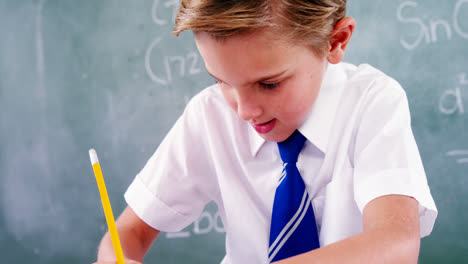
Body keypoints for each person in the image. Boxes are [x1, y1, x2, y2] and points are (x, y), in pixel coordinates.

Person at [94, 0, 437, 263]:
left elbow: (397, 243)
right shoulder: (209, 115)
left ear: (336, 41)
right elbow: (127, 232)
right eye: (222, 81)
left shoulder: (371, 101)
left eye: (269, 84)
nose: (244, 111)